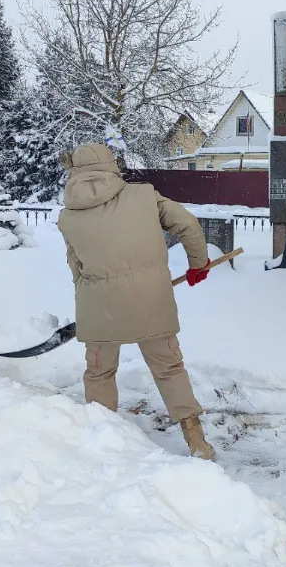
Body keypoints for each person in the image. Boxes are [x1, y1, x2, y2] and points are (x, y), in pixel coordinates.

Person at [57, 142, 216, 460]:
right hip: (151, 301)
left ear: (74, 171)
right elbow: (188, 225)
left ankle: (103, 439)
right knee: (170, 368)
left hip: (99, 306)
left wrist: (92, 301)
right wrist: (198, 264)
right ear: (111, 165)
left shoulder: (68, 217)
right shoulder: (144, 195)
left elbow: (76, 267)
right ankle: (196, 439)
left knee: (100, 373)